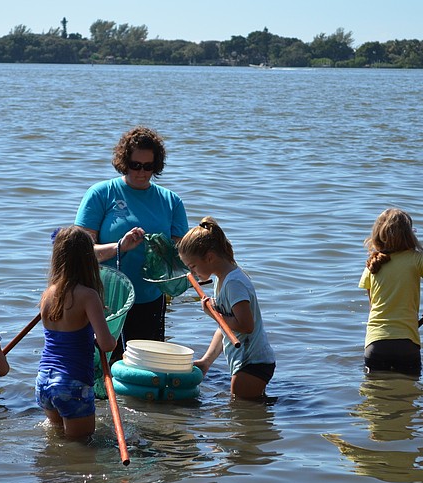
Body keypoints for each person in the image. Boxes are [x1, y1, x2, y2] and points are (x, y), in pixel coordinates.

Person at [75, 126, 188, 360]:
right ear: (124, 162)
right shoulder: (101, 194)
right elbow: (80, 253)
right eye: (136, 165)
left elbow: (182, 256)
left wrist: (165, 250)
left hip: (150, 299)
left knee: (146, 366)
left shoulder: (171, 201)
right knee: (103, 364)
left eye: (148, 166)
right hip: (104, 301)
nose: (141, 172)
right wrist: (120, 247)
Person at [177, 217, 275, 400]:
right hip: (248, 362)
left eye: (193, 266)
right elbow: (225, 328)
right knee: (250, 410)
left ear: (210, 257)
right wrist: (206, 361)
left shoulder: (233, 283)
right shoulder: (220, 279)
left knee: (242, 411)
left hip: (252, 363)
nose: (193, 273)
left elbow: (246, 325)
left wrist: (215, 315)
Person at [36, 227, 117, 439]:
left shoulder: (47, 295)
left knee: (57, 440)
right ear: (88, 259)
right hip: (72, 383)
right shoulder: (88, 296)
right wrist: (113, 337)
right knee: (81, 447)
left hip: (44, 379)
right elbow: (107, 344)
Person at [359, 208, 423, 376]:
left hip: (376, 343)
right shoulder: (415, 258)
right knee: (409, 399)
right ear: (409, 234)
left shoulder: (373, 265)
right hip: (406, 344)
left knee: (376, 398)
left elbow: (373, 307)